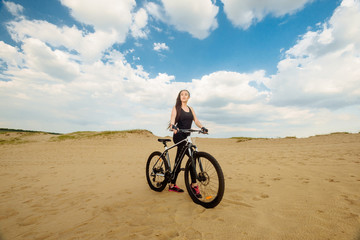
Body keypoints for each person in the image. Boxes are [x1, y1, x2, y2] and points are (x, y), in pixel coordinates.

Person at [168, 89, 208, 198]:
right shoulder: (176, 108)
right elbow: (172, 121)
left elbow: (196, 121)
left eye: (186, 94)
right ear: (179, 97)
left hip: (187, 136)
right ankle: (194, 185)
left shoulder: (191, 109)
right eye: (182, 94)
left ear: (189, 97)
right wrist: (174, 126)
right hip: (179, 136)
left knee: (180, 159)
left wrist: (202, 127)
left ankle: (172, 184)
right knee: (191, 157)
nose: (184, 96)